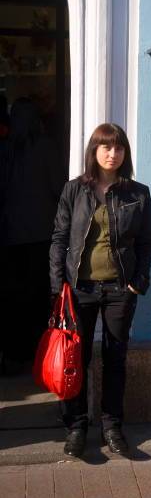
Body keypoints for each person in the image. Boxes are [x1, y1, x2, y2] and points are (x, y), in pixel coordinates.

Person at [49, 123, 151, 457]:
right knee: (74, 360)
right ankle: (77, 426)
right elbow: (60, 240)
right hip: (79, 289)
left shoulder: (138, 193)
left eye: (119, 147)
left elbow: (146, 243)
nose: (113, 153)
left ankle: (112, 426)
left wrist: (139, 280)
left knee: (115, 360)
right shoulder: (73, 191)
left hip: (120, 290)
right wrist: (57, 287)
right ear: (94, 151)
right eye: (106, 147)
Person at [0, 97, 65, 374]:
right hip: (41, 235)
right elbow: (58, 188)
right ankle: (40, 355)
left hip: (8, 236)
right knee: (38, 296)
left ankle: (15, 354)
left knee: (11, 298)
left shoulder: (4, 149)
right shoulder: (46, 147)